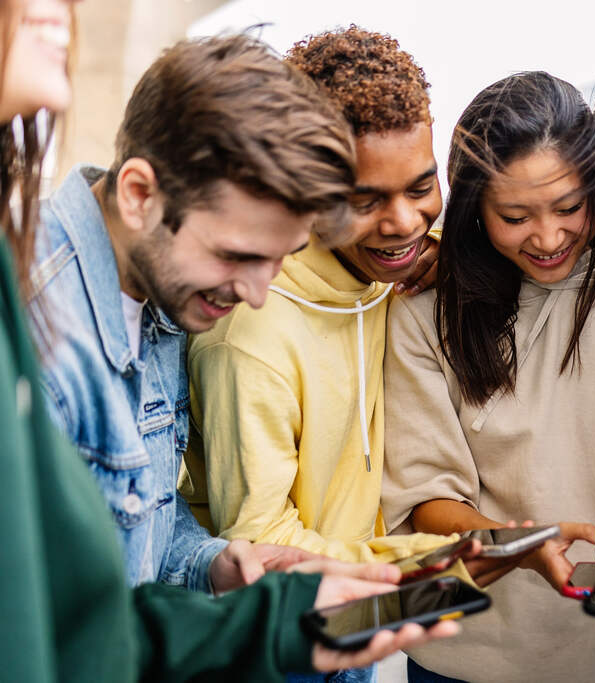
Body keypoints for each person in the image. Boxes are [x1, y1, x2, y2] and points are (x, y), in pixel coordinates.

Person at [0, 1, 455, 680]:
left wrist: (211, 562)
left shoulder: (159, 288)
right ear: (138, 195)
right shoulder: (37, 337)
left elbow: (138, 521)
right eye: (238, 256)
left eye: (281, 259)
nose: (257, 292)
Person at [382, 70, 595, 683]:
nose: (548, 237)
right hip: (460, 649)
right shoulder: (423, 309)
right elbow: (424, 495)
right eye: (515, 216)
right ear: (474, 207)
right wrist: (519, 545)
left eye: (569, 207)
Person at [183, 26, 453, 565]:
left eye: (421, 188)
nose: (404, 222)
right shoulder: (247, 339)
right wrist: (419, 566)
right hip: (284, 625)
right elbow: (259, 539)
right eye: (363, 200)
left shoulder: (391, 266)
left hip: (366, 606)